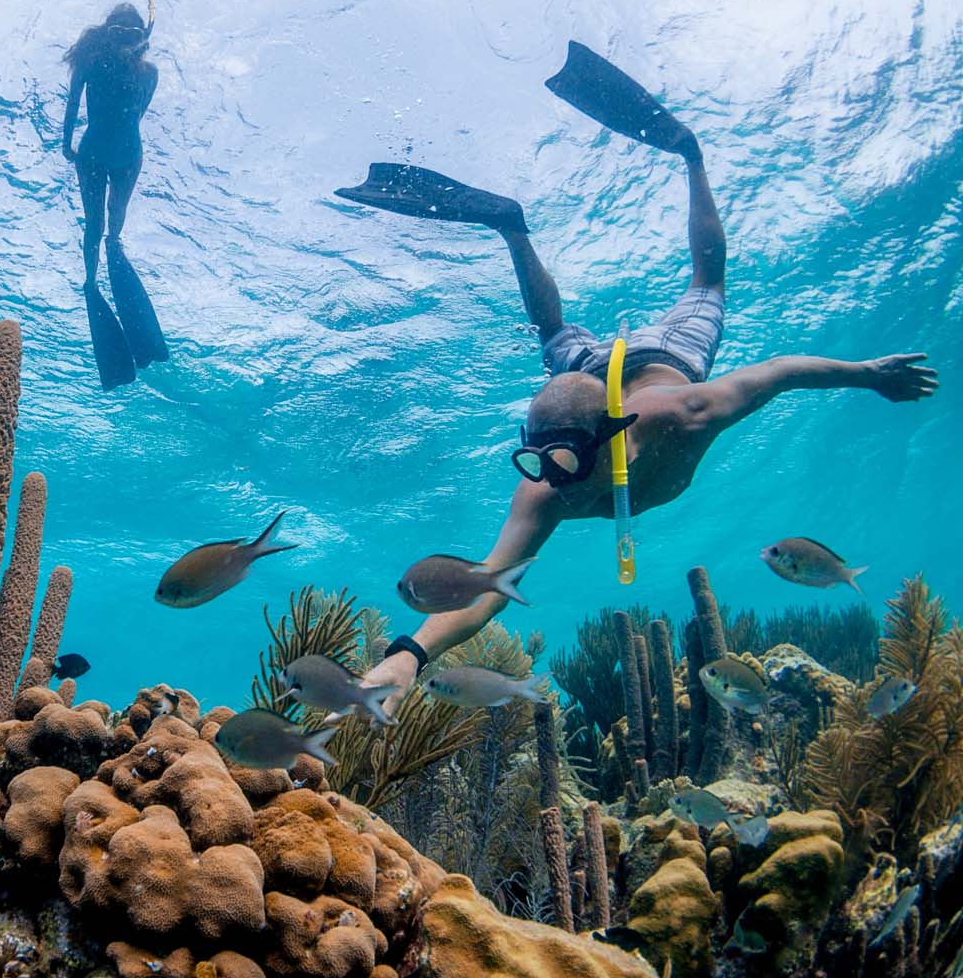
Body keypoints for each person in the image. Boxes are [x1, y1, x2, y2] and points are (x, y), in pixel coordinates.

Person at [335, 41, 939, 709]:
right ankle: (510, 226)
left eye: (562, 460)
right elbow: (488, 584)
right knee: (551, 338)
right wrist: (407, 656)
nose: (552, 481)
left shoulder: (690, 410)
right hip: (584, 378)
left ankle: (690, 155)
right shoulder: (543, 488)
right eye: (536, 462)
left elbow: (782, 370)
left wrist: (867, 373)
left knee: (708, 281)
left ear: (617, 435)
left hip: (669, 356)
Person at [63, 0, 168, 390]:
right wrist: (65, 142)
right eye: (118, 32)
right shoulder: (91, 62)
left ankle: (114, 249)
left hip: (126, 158)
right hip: (92, 155)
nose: (125, 39)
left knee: (114, 223)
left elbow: (138, 113)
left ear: (142, 38)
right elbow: (74, 100)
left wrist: (75, 142)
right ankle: (91, 280)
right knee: (94, 225)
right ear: (107, 35)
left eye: (133, 34)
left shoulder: (150, 73)